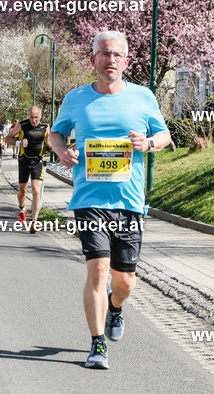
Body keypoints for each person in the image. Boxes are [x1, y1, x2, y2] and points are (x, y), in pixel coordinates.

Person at [48, 31, 171, 369]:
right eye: (104, 54)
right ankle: (96, 344)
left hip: (129, 200)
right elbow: (55, 133)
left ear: (126, 62)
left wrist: (148, 143)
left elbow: (164, 135)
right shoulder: (76, 99)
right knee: (98, 270)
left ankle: (115, 308)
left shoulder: (143, 97)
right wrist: (63, 152)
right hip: (89, 199)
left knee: (124, 281)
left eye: (117, 54)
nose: (111, 59)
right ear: (93, 60)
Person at [5, 105, 50, 230]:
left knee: (36, 190)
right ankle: (22, 208)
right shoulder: (22, 125)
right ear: (28, 116)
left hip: (37, 161)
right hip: (24, 160)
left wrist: (55, 150)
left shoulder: (45, 127)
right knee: (22, 191)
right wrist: (18, 143)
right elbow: (7, 138)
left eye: (36, 117)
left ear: (40, 116)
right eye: (31, 117)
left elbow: (49, 141)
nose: (34, 120)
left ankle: (34, 221)